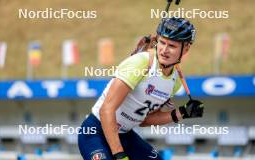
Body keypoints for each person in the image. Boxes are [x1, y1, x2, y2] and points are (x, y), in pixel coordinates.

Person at [78, 17, 204, 160]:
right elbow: (106, 109)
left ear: (186, 48)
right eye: (162, 42)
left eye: (172, 46)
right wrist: (119, 154)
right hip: (96, 132)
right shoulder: (142, 63)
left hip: (125, 135)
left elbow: (144, 120)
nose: (164, 50)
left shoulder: (175, 82)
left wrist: (182, 113)